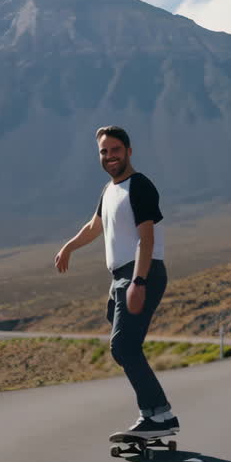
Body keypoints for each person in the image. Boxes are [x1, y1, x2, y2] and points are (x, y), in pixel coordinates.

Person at [55, 125, 178, 438]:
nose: (110, 157)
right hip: (120, 276)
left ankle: (158, 415)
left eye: (115, 150)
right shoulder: (110, 191)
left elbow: (146, 239)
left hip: (141, 272)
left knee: (123, 346)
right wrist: (69, 246)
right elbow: (95, 226)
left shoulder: (140, 186)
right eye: (104, 151)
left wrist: (139, 280)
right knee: (125, 346)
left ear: (129, 151)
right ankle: (158, 415)